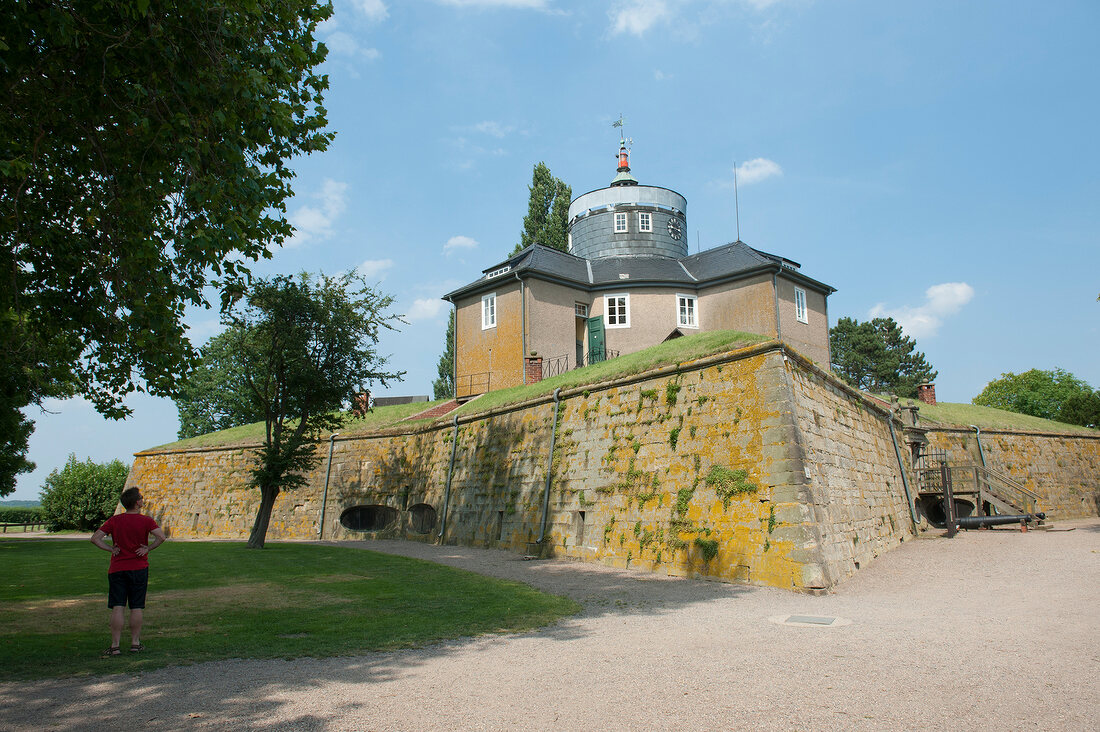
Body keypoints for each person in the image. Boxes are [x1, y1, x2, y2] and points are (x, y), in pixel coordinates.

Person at [90, 487, 167, 657]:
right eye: (140, 497)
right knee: (136, 606)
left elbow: (95, 539)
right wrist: (148, 548)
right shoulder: (145, 521)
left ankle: (115, 645)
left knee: (118, 606)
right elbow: (161, 537)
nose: (142, 499)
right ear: (137, 502)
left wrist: (111, 549)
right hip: (139, 568)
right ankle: (135, 643)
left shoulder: (115, 521)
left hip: (117, 568)